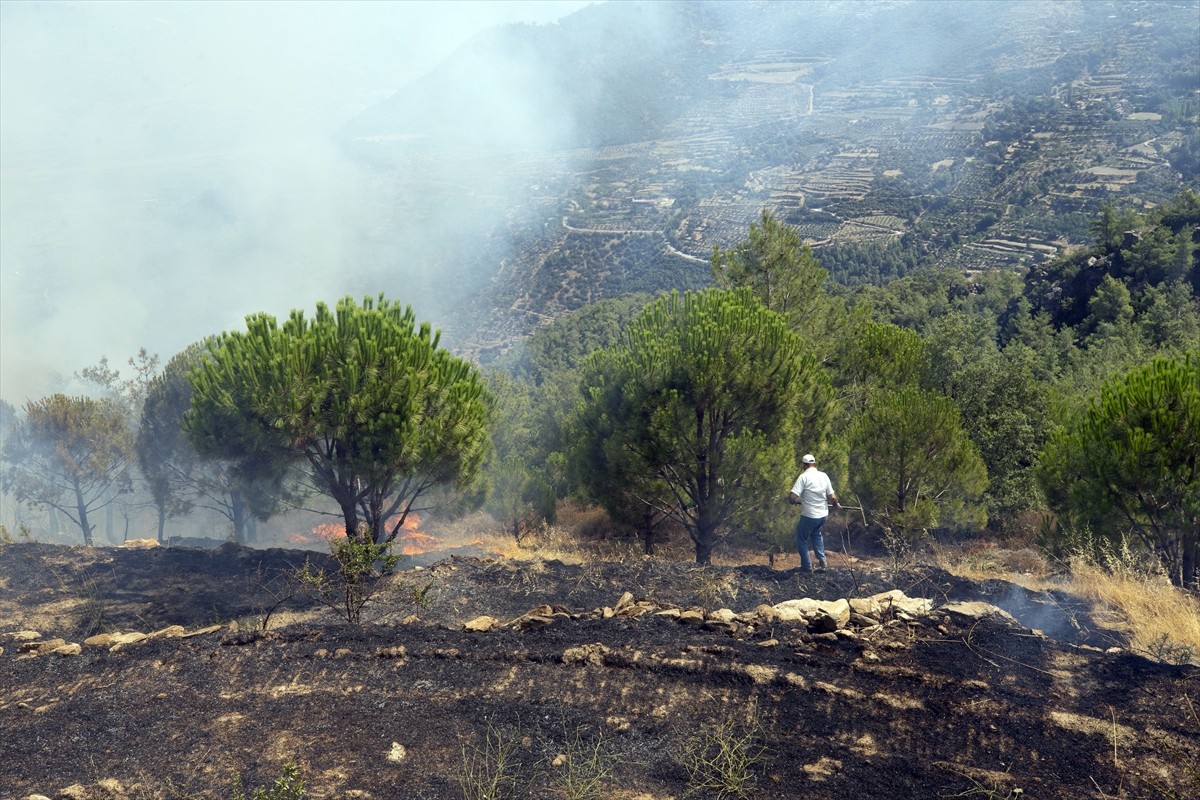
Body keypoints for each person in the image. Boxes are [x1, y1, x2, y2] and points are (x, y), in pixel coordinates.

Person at [788, 453, 841, 572]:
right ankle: (823, 561)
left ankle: (807, 567)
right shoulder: (824, 476)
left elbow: (792, 497)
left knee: (802, 539)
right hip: (823, 515)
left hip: (809, 515)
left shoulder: (803, 477)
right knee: (816, 533)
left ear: (804, 465)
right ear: (814, 464)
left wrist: (792, 501)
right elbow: (832, 497)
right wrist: (836, 504)